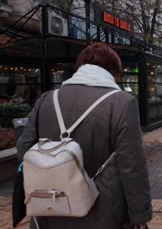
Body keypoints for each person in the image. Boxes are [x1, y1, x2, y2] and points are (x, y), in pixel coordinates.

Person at [16, 43, 152, 229]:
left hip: (49, 205)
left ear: (80, 66)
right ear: (113, 70)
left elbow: (24, 148)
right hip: (102, 209)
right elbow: (132, 164)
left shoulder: (47, 99)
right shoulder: (122, 102)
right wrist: (140, 214)